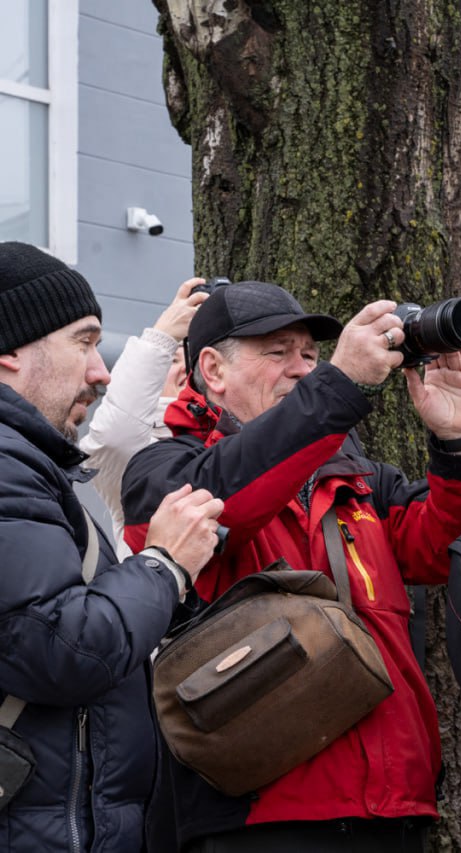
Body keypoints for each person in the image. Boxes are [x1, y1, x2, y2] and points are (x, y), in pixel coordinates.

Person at [120, 281, 461, 852]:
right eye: (277, 353)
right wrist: (340, 385)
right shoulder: (166, 470)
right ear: (212, 370)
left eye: (310, 355)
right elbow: (228, 499)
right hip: (256, 820)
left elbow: (453, 548)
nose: (301, 370)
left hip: (393, 810)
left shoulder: (366, 481)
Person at [0, 242, 224, 852]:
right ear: (10, 350)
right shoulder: (7, 466)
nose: (100, 370)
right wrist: (163, 563)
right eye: (83, 340)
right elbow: (57, 645)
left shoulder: (33, 465)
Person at [80, 276, 209, 554]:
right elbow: (114, 437)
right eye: (172, 359)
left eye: (195, 360)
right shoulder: (140, 452)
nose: (185, 370)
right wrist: (162, 335)